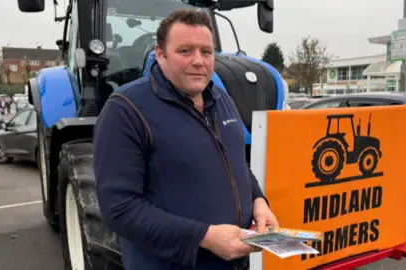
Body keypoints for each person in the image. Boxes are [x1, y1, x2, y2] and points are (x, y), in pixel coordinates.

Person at [93, 9, 279, 270]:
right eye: (185, 51)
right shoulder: (126, 110)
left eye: (206, 52)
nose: (198, 61)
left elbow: (235, 162)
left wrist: (259, 201)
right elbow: (120, 209)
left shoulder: (222, 100)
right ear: (160, 53)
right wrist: (204, 237)